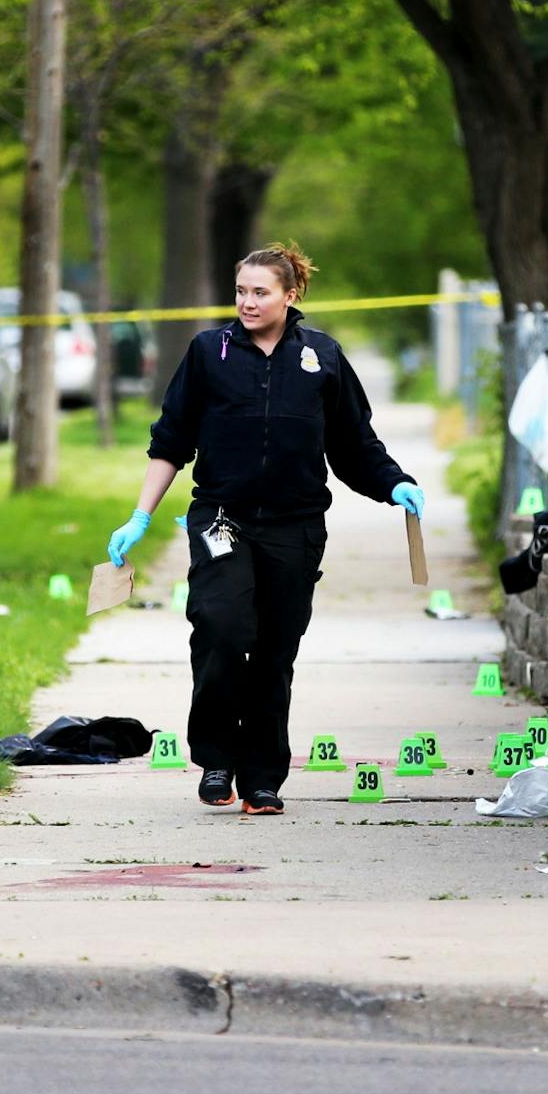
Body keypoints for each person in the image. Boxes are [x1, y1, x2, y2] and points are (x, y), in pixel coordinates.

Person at [106, 243, 421, 815]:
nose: (247, 302)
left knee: (275, 653)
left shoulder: (322, 356)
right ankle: (216, 758)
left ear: (290, 295)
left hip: (295, 526)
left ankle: (261, 779)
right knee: (223, 627)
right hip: (221, 518)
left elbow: (354, 445)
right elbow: (171, 440)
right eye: (241, 292)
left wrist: (394, 483)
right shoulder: (209, 352)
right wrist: (141, 515)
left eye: (260, 292)